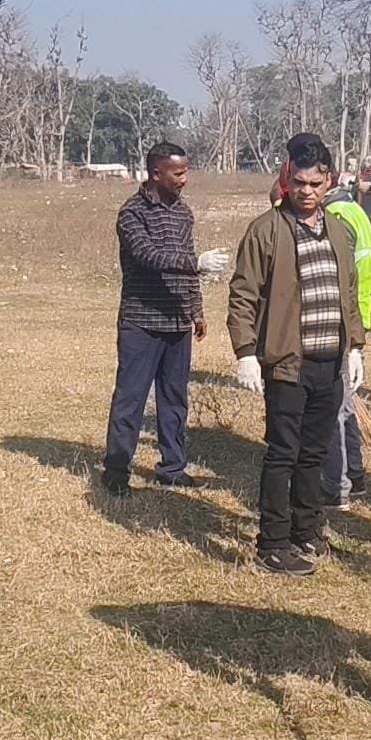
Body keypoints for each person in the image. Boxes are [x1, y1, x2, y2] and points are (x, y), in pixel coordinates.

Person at [229, 136, 365, 577]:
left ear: (330, 182)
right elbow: (243, 294)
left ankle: (308, 529)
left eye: (315, 183)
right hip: (287, 364)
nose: (306, 191)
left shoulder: (340, 231)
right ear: (287, 180)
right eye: (299, 183)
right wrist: (246, 352)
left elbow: (349, 293)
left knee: (315, 452)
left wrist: (356, 347)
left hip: (330, 363)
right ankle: (273, 542)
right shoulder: (265, 230)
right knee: (282, 453)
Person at [103, 142, 226, 498]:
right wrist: (196, 265)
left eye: (186, 171)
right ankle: (116, 471)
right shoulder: (132, 213)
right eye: (178, 173)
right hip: (141, 322)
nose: (185, 179)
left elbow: (187, 261)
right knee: (131, 398)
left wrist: (196, 309)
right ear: (156, 173)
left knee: (174, 399)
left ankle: (172, 468)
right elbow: (148, 256)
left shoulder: (183, 213)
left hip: (177, 323)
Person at [321, 176, 371, 508]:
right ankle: (354, 477)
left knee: (336, 409)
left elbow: (341, 275)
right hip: (359, 313)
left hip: (344, 319)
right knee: (346, 405)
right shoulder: (354, 209)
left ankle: (337, 486)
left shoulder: (337, 218)